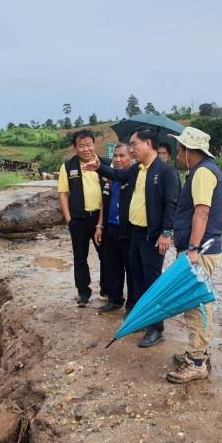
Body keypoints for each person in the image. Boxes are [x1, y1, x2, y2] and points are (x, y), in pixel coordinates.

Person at [84, 127, 180, 348]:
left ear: (148, 144)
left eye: (135, 144)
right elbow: (118, 175)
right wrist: (99, 167)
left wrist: (166, 233)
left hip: (152, 236)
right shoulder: (138, 169)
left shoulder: (165, 172)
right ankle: (141, 319)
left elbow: (171, 204)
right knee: (136, 279)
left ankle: (156, 328)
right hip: (135, 233)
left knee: (152, 282)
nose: (132, 148)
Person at [166, 127, 222, 384]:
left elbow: (201, 212)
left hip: (200, 251)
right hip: (203, 249)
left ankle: (197, 362)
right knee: (197, 303)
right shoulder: (208, 170)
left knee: (196, 305)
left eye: (180, 151)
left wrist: (191, 250)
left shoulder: (202, 173)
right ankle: (196, 352)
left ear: (191, 151)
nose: (178, 156)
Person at [58, 130, 108, 307]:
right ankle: (83, 293)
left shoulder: (104, 164)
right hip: (78, 219)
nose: (86, 149)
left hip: (100, 219)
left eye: (89, 145)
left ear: (93, 145)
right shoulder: (68, 166)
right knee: (80, 257)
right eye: (81, 146)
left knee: (106, 255)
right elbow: (63, 194)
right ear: (75, 147)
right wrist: (69, 219)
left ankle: (106, 288)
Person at [95, 143, 134, 314]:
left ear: (131, 157)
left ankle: (132, 306)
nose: (117, 159)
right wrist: (100, 225)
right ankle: (115, 299)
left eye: (122, 156)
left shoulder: (133, 176)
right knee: (112, 266)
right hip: (111, 228)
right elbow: (105, 203)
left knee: (131, 269)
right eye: (115, 156)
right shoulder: (112, 180)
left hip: (128, 230)